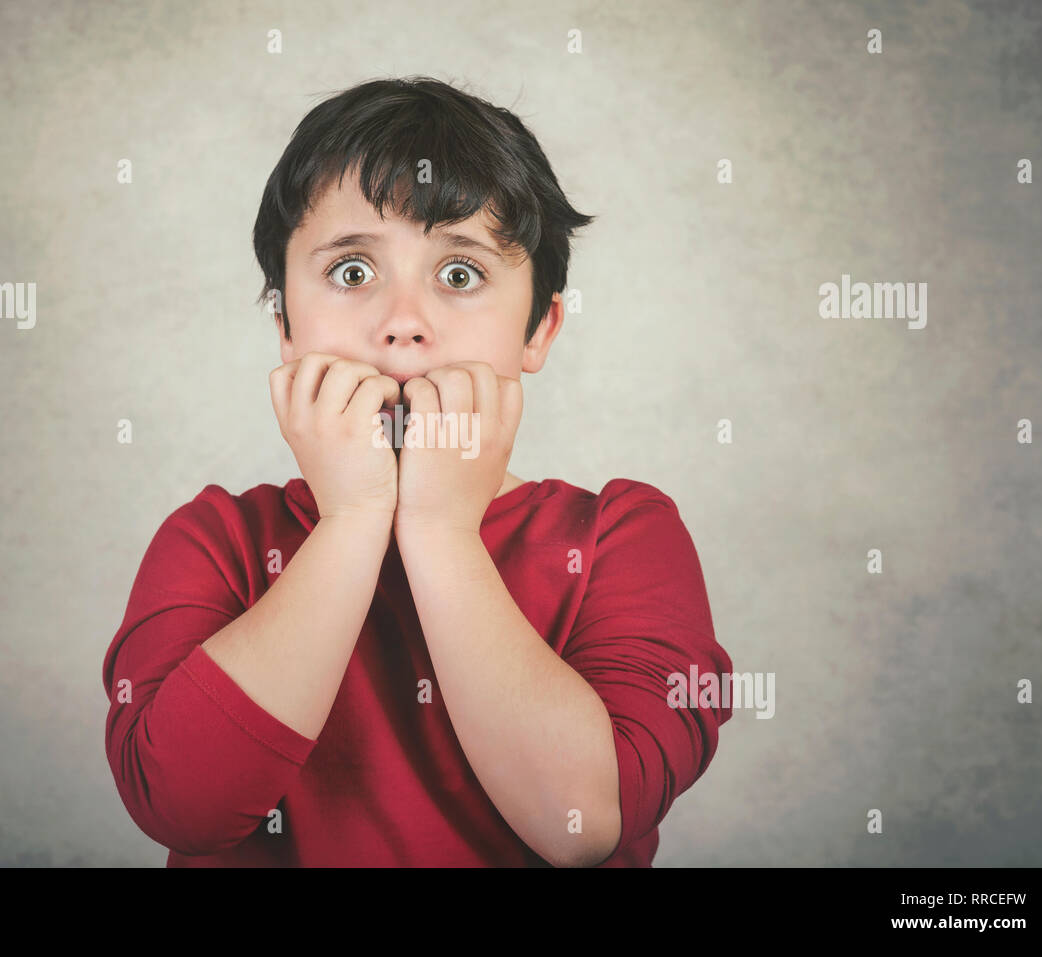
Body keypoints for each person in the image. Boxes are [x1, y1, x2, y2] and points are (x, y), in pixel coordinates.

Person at [102, 76, 733, 866]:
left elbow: (580, 820)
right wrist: (353, 519)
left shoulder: (624, 537)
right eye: (353, 273)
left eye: (460, 274)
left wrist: (439, 529)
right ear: (285, 327)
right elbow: (183, 806)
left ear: (540, 328)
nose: (402, 324)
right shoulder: (216, 540)